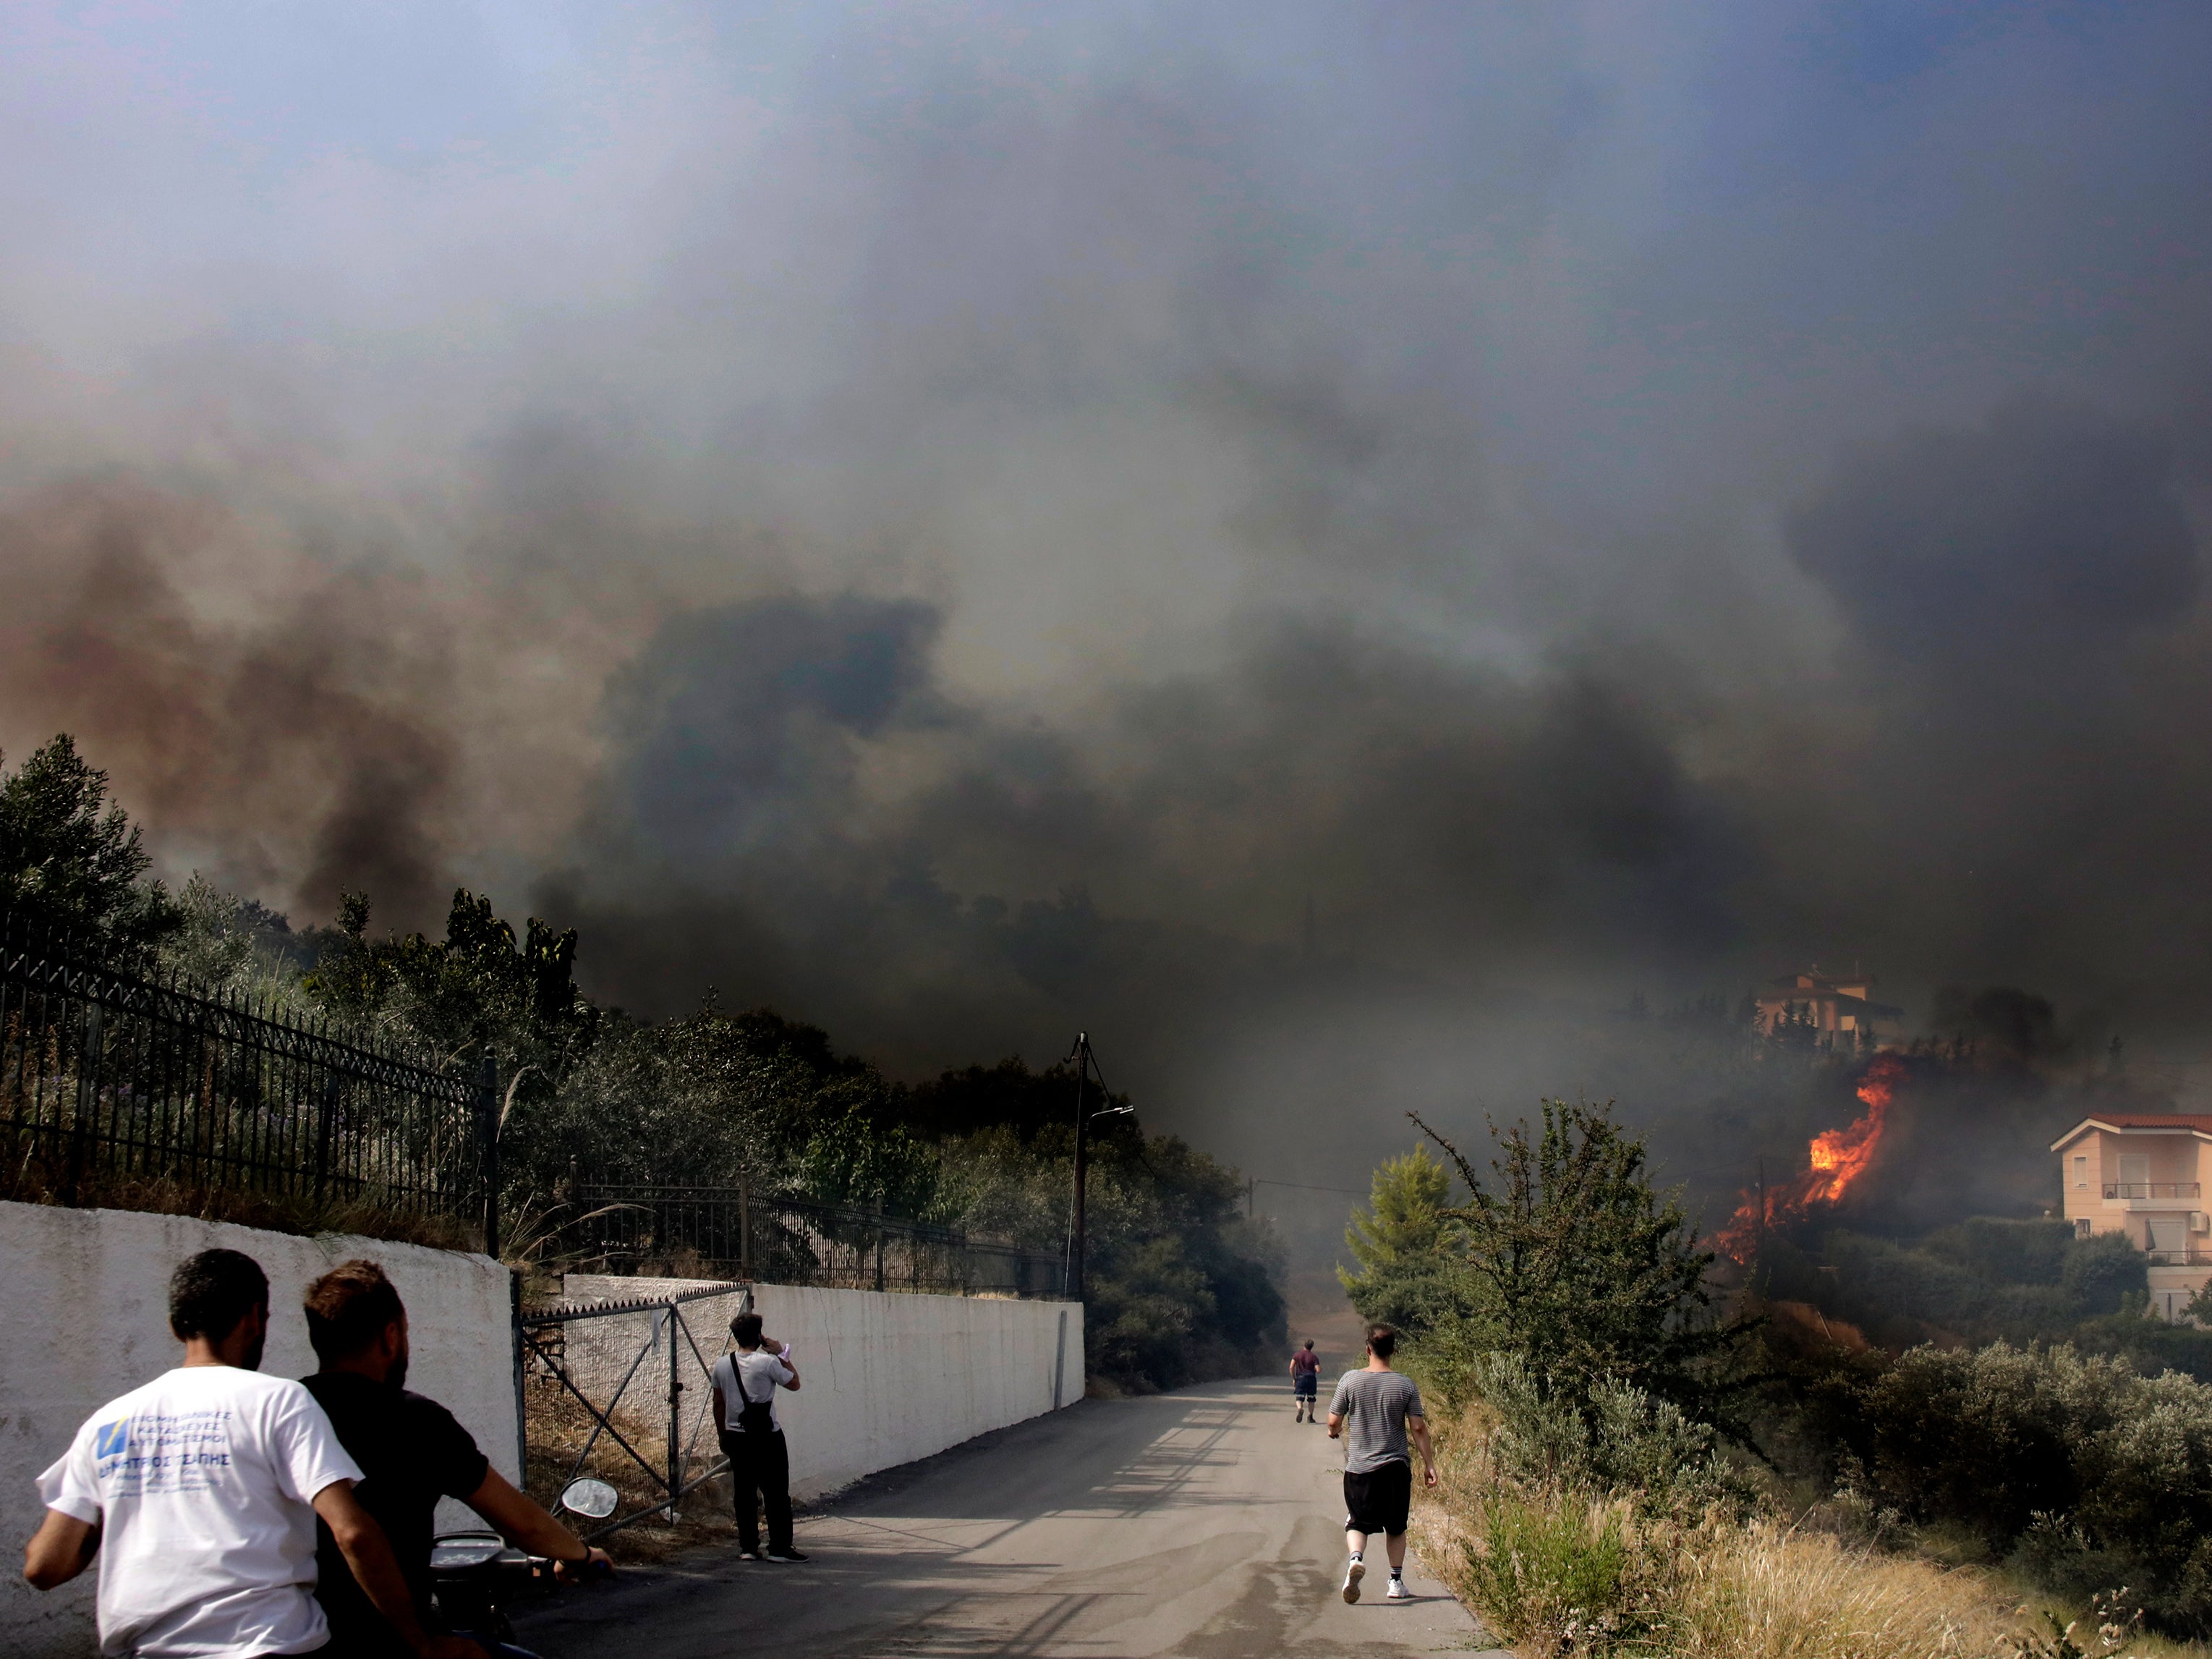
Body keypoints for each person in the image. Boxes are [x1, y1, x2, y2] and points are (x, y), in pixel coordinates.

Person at [22, 1247, 477, 1659]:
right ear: (255, 1319)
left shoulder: (108, 1423)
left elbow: (45, 1566)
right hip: (267, 1644)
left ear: (175, 1325)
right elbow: (353, 1534)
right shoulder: (278, 1401)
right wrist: (419, 1642)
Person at [299, 1260, 612, 1658]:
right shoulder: (415, 1420)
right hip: (394, 1639)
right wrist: (582, 1555)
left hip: (297, 1639)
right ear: (390, 1338)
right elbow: (521, 1523)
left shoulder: (282, 1415)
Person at [1325, 1323, 1437, 1605]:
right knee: (1396, 1526)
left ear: (1367, 1349)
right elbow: (1419, 1428)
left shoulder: (1350, 1381)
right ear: (1394, 1352)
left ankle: (1355, 1559)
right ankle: (1396, 1581)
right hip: (1396, 1467)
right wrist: (1429, 1464)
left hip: (1361, 1468)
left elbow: (1333, 1421)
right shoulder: (1405, 1384)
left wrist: (1333, 1432)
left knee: (1357, 1521)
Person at [708, 1312, 805, 1563]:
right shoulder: (767, 1363)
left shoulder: (721, 1365)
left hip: (737, 1436)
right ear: (759, 1337)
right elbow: (794, 1383)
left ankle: (749, 1547)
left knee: (744, 1493)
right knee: (776, 1493)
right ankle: (779, 1548)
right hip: (767, 1436)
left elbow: (719, 1403)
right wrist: (781, 1354)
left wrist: (723, 1434)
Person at [1289, 1340, 1322, 1422]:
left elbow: (1291, 1367)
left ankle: (1300, 1408)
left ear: (1304, 1345)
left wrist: (1294, 1379)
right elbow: (1318, 1370)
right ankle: (1310, 1417)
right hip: (1311, 1379)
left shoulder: (1297, 1355)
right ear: (1312, 1347)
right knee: (1311, 1399)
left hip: (1300, 1378)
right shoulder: (1314, 1357)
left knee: (1299, 1397)